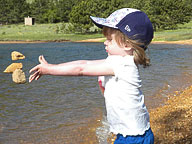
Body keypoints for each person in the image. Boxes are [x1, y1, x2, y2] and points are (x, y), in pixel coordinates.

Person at [29, 8, 154, 144]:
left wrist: (49, 69)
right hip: (137, 132)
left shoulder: (121, 64)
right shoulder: (120, 62)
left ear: (126, 44)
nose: (105, 42)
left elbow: (81, 68)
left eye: (109, 39)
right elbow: (87, 65)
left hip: (132, 137)